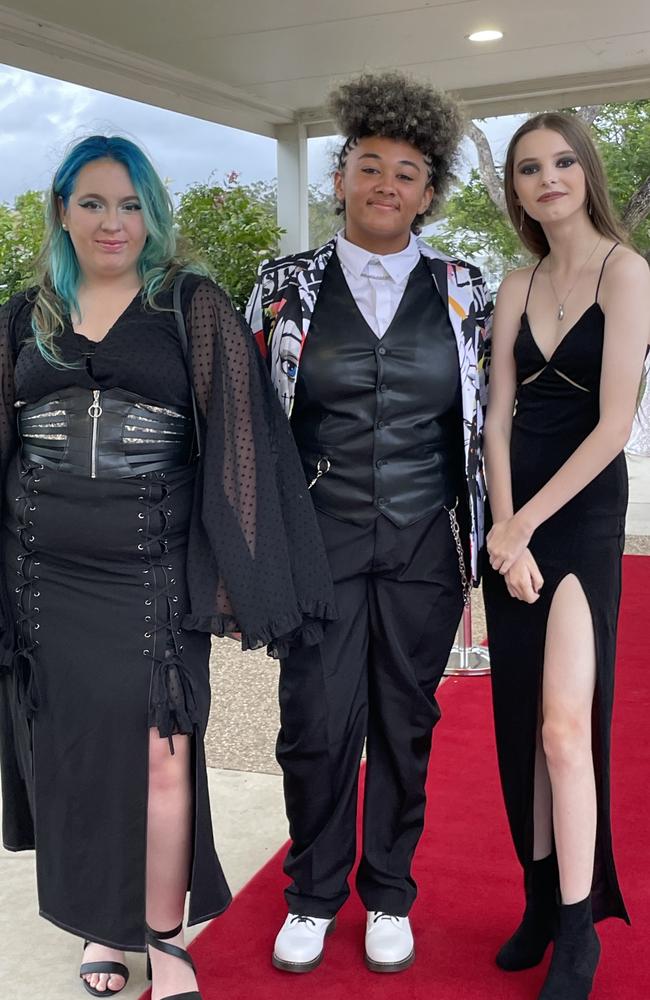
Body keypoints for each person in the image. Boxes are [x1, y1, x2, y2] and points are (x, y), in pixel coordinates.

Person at [0, 135, 335, 999]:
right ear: (62, 211)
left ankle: (164, 933)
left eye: (131, 203)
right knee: (73, 754)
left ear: (153, 212)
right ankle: (99, 930)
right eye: (94, 203)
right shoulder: (22, 315)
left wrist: (244, 580)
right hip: (45, 579)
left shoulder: (191, 303)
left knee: (163, 753)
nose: (114, 222)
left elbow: (242, 446)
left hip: (151, 576)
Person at [246, 72, 492, 974]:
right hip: (320, 542)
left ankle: (389, 891)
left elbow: (488, 418)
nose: (388, 183)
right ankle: (312, 893)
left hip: (426, 542)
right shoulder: (283, 288)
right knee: (313, 724)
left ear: (430, 194)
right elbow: (250, 429)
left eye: (409, 171)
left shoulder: (466, 290)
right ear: (341, 175)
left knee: (404, 721)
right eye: (371, 165)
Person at [483, 111, 650, 999]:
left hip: (582, 517)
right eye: (526, 169)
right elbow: (497, 416)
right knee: (519, 730)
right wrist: (503, 528)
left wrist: (525, 527)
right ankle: (540, 901)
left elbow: (615, 426)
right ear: (514, 190)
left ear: (586, 170)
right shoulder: (516, 281)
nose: (546, 178)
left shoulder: (630, 274)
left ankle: (581, 929)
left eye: (559, 162)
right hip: (515, 519)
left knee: (563, 726)